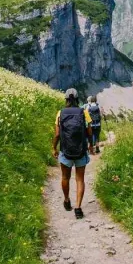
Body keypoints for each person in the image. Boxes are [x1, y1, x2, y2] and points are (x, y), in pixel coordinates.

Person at [52, 88, 94, 219]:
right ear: (77, 99)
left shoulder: (60, 113)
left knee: (65, 177)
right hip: (81, 151)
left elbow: (58, 134)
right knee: (80, 179)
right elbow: (90, 132)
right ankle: (78, 208)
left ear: (66, 99)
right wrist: (91, 145)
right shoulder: (84, 112)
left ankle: (66, 200)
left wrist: (54, 147)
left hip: (65, 151)